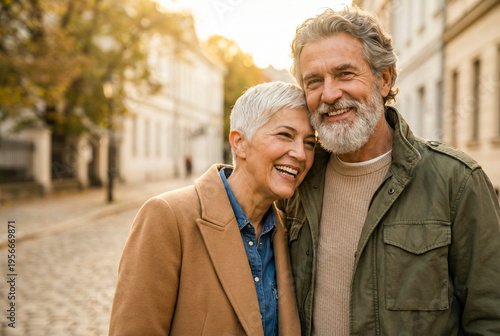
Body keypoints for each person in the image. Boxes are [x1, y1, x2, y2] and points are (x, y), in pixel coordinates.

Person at [276, 6, 500, 336]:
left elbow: (490, 319)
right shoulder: (294, 184)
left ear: (384, 79)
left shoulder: (458, 182)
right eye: (314, 82)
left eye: (345, 74)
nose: (329, 93)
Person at [109, 81, 316, 336]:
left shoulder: (285, 229)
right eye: (285, 135)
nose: (301, 154)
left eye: (309, 143)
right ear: (239, 143)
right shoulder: (167, 217)